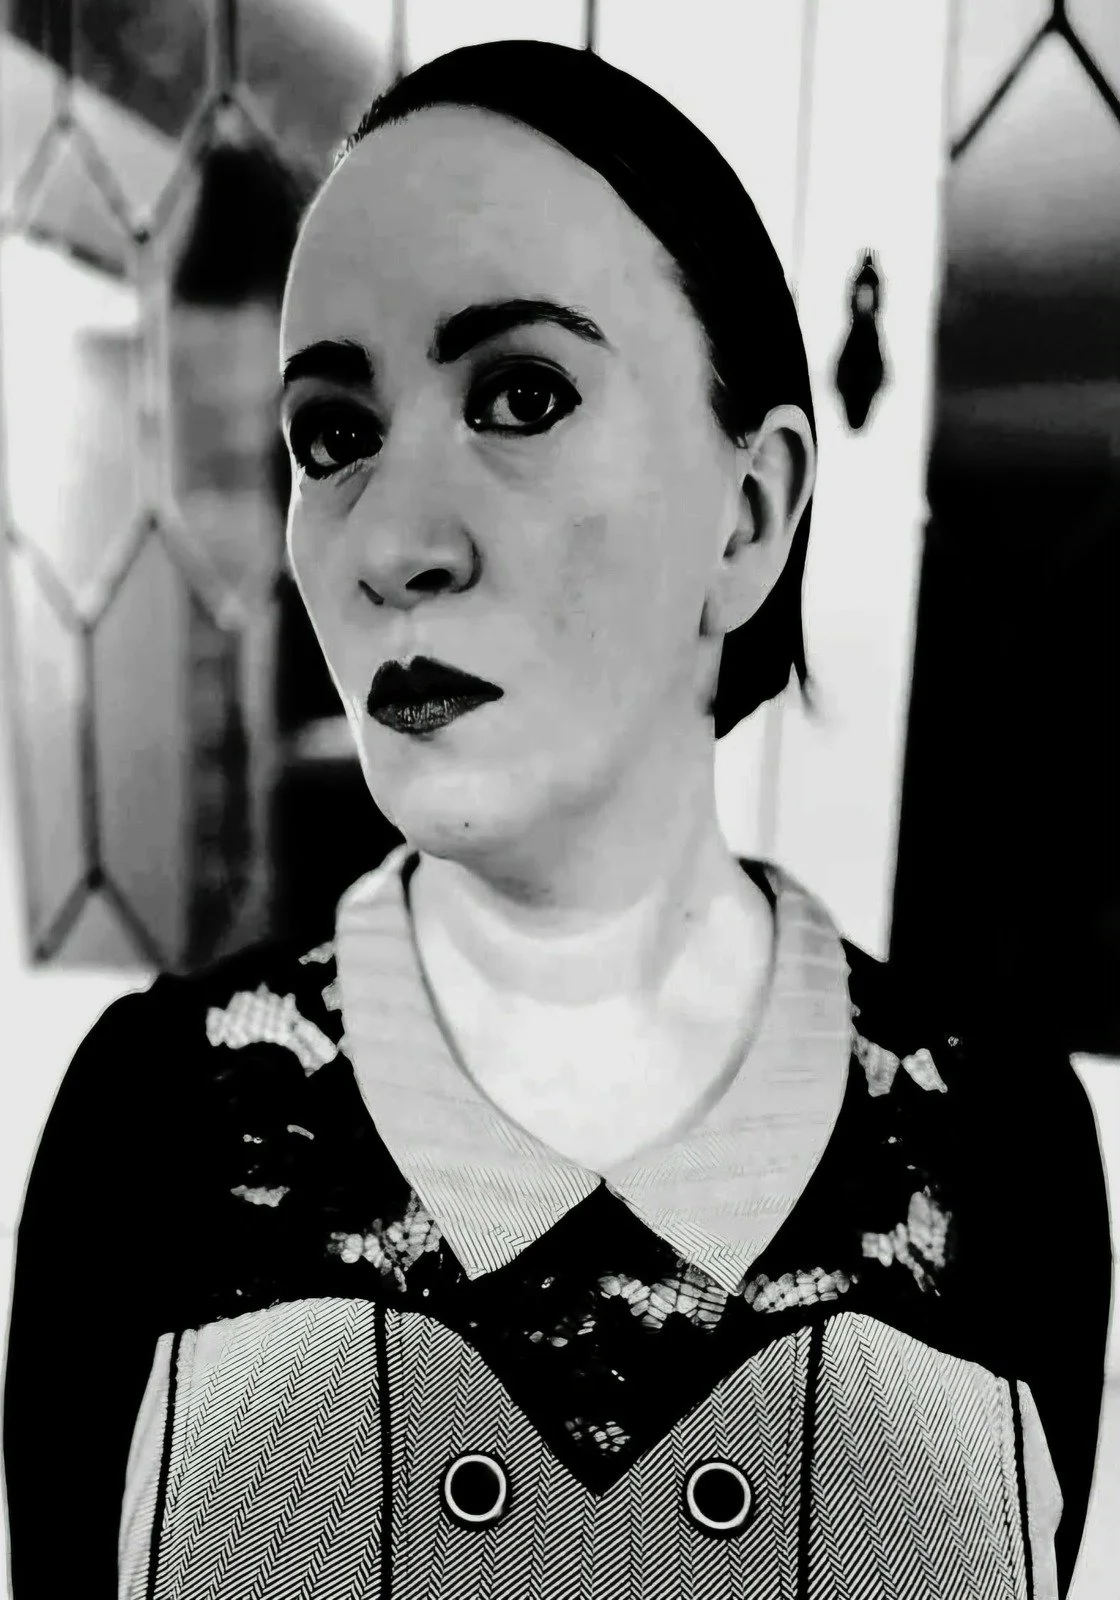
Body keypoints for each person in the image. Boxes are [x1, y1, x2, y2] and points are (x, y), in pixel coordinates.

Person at [3, 39, 1111, 1600]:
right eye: (334, 434)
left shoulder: (1002, 1153)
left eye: (521, 395)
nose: (390, 539)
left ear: (749, 515)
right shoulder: (156, 1127)